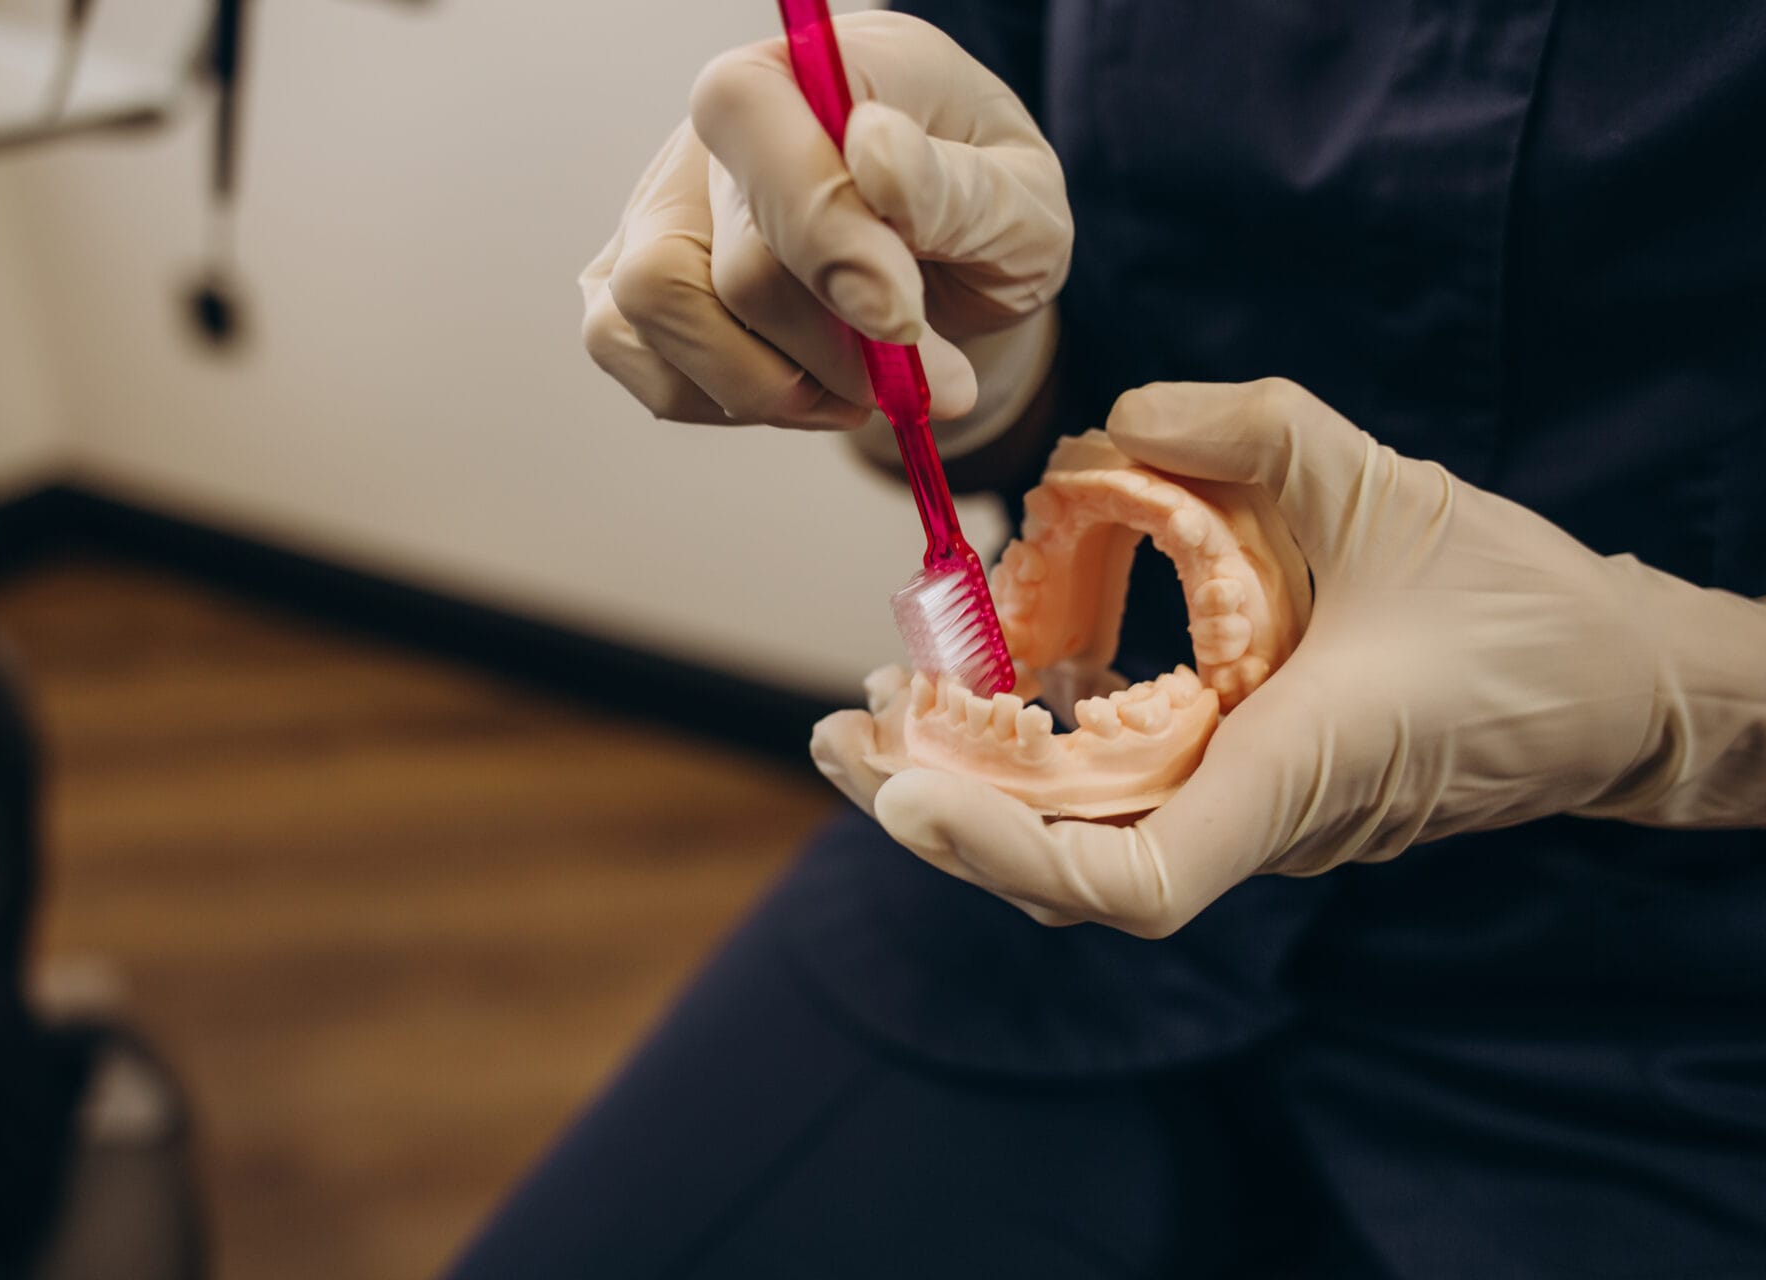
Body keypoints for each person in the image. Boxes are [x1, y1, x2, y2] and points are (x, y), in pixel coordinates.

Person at [455, 6, 1766, 1277]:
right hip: (1028, 904)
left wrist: (1691, 701)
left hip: (1697, 1041)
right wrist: (948, 335)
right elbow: (955, 279)